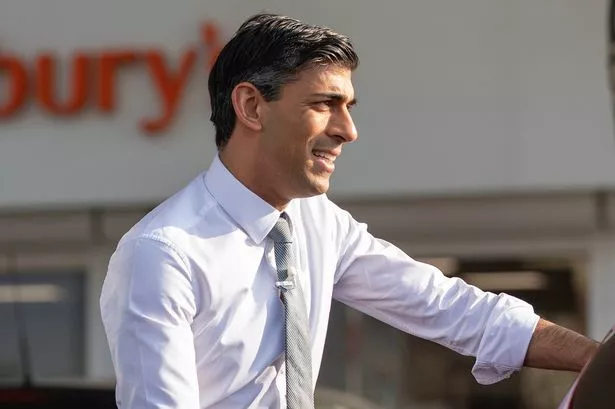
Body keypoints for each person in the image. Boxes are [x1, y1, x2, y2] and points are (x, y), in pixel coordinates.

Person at [100, 13, 599, 409]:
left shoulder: (316, 223)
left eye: (349, 107)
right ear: (251, 107)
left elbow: (448, 308)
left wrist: (600, 361)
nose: (347, 130)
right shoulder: (162, 255)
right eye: (325, 104)